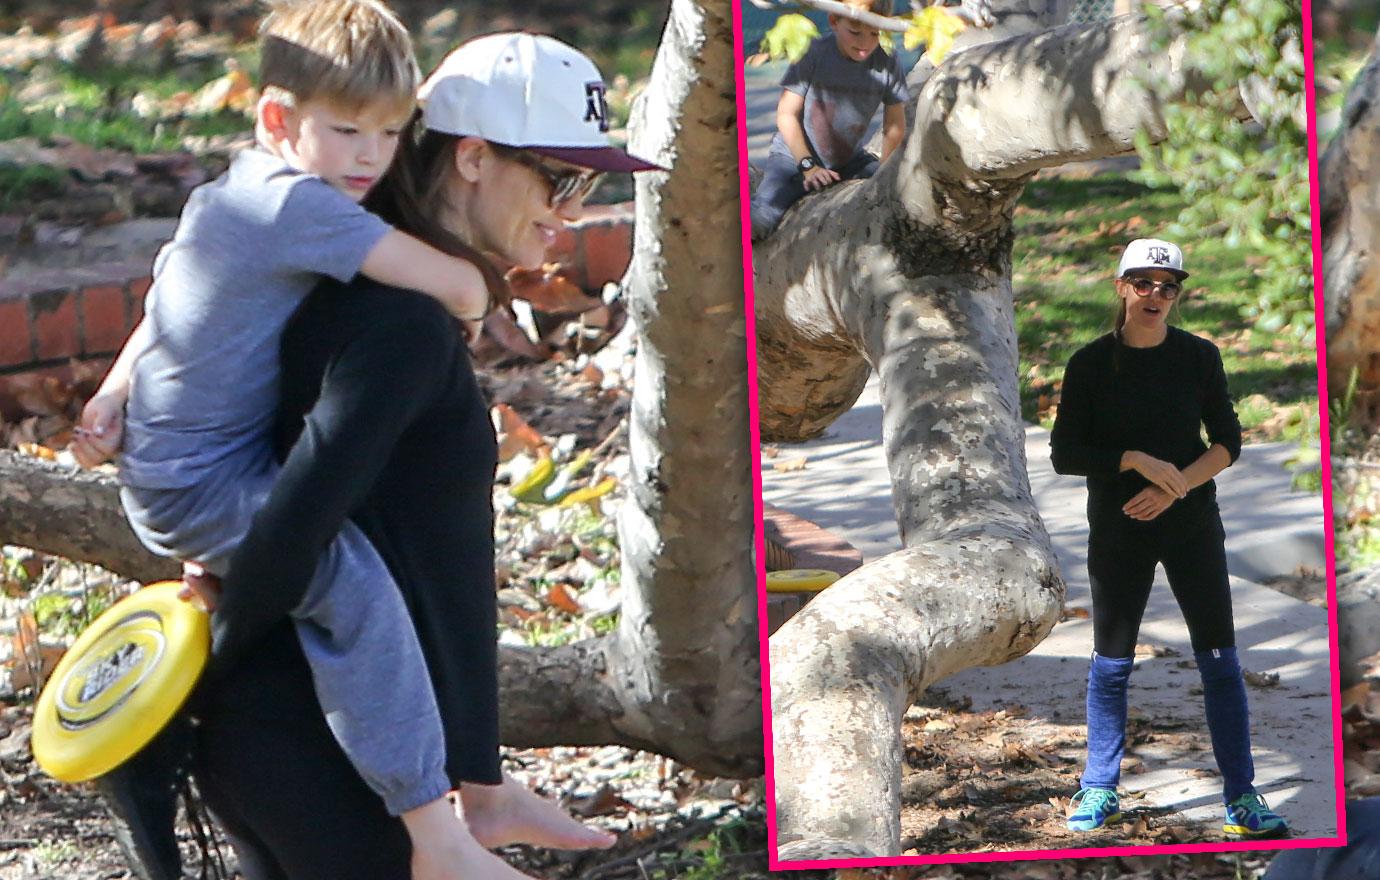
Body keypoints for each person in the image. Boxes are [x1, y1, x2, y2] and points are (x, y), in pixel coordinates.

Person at [181, 32, 658, 879]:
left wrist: (474, 780)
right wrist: (198, 688)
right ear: (473, 157)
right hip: (313, 748)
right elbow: (298, 520)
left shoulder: (406, 300)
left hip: (353, 756)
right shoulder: (394, 323)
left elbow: (421, 549)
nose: (575, 212)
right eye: (564, 180)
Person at [1049, 238, 1289, 839]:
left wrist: (1175, 484)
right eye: (1144, 282)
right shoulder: (1089, 364)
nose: (1156, 295)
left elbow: (1228, 442)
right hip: (1119, 528)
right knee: (1111, 663)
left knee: (1219, 660)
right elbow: (1064, 455)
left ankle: (1242, 796)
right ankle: (1099, 788)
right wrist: (1132, 459)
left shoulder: (1199, 356)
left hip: (1191, 526)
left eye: (1169, 285)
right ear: (1121, 286)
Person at [748, 0, 909, 240]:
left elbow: (894, 125)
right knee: (762, 218)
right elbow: (786, 114)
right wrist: (808, 166)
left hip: (849, 161)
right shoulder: (813, 52)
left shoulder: (887, 61)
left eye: (875, 33)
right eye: (854, 32)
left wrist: (885, 174)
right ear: (834, 21)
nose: (865, 42)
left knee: (898, 201)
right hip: (794, 159)